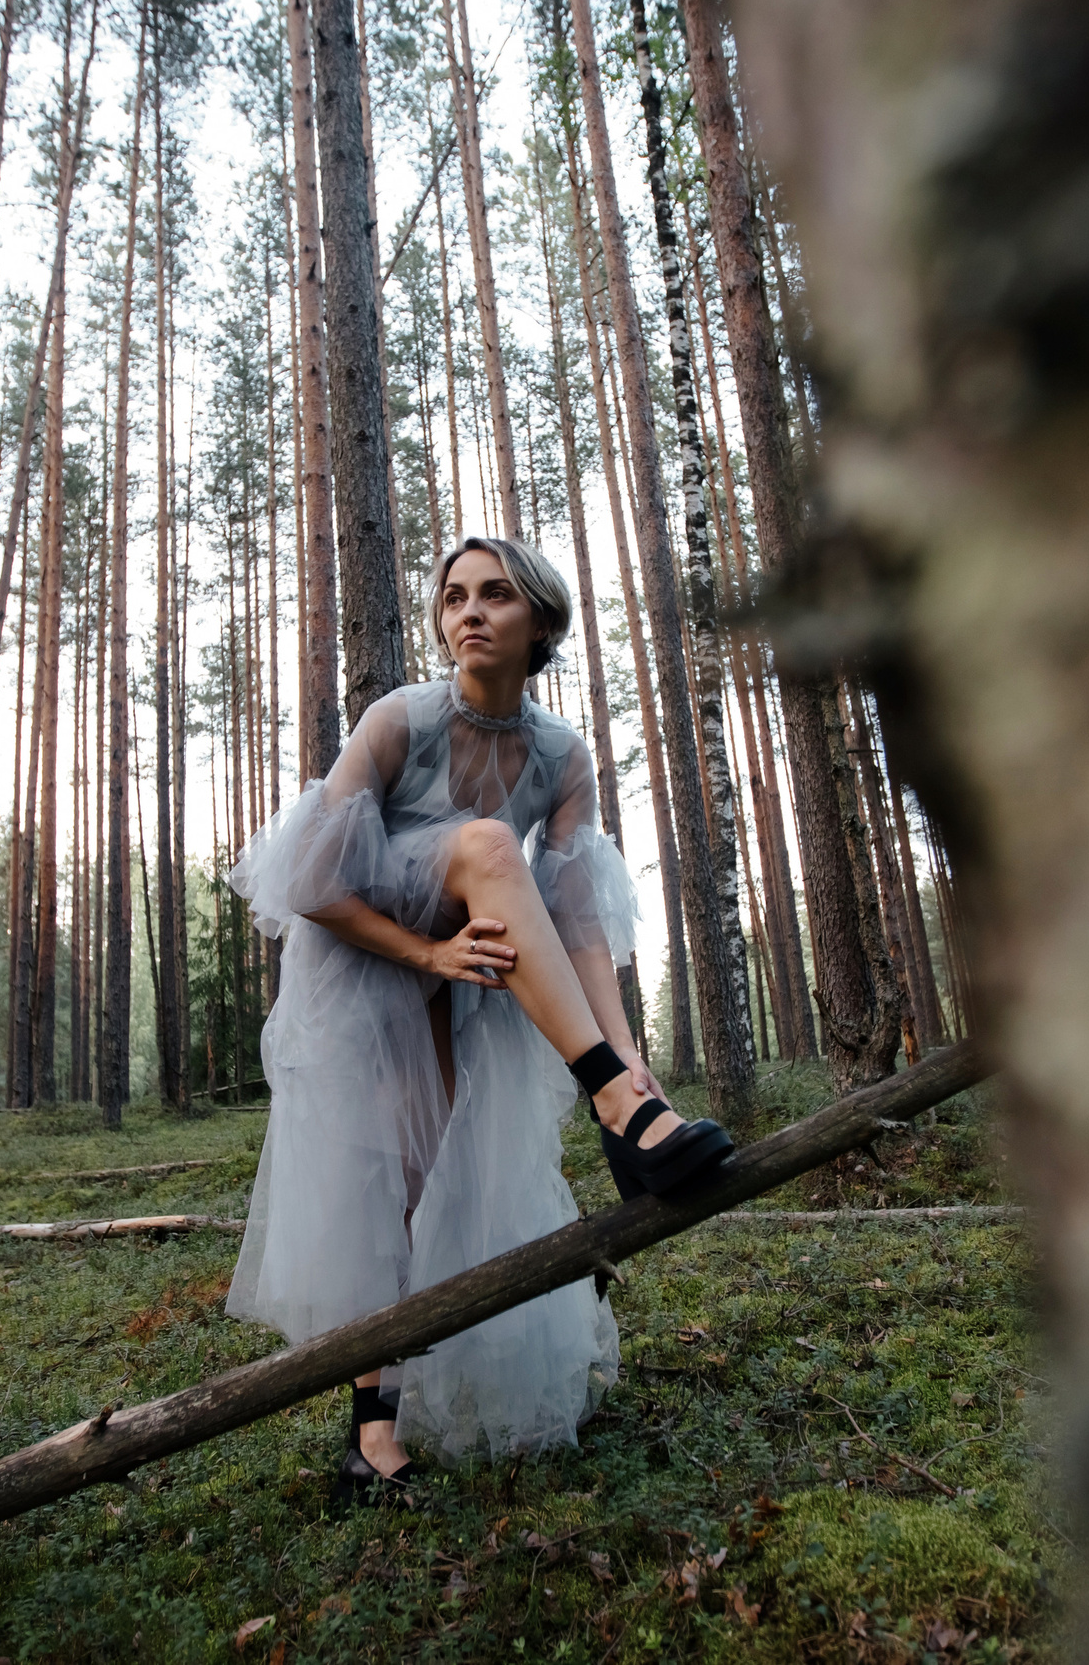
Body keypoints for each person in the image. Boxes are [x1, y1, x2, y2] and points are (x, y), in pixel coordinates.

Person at [226, 536, 734, 1501]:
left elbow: (578, 920)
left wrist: (633, 1052)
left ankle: (372, 1436)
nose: (468, 611)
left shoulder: (560, 755)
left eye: (495, 594)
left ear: (540, 620)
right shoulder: (399, 721)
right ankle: (616, 1108)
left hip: (472, 970)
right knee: (378, 1180)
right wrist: (425, 954)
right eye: (453, 595)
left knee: (430, 1182)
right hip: (364, 957)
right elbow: (310, 881)